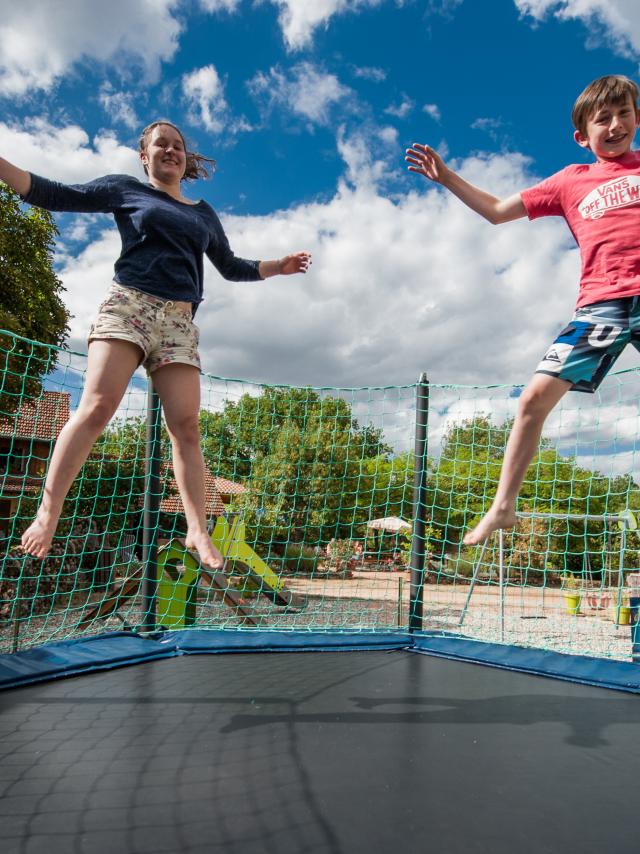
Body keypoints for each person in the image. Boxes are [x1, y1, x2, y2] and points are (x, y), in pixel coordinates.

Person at [0, 120, 311, 568]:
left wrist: (276, 267)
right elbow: (53, 192)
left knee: (185, 427)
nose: (171, 150)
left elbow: (229, 264)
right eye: (160, 144)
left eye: (178, 146)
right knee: (97, 406)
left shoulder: (203, 212)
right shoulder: (126, 189)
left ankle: (197, 531)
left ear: (186, 159)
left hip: (179, 321)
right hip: (130, 305)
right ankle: (48, 512)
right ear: (144, 156)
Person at [406, 74, 640, 545]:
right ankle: (503, 507)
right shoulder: (570, 181)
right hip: (601, 304)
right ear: (582, 135)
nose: (616, 125)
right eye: (604, 119)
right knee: (532, 399)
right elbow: (496, 211)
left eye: (625, 114)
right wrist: (447, 176)